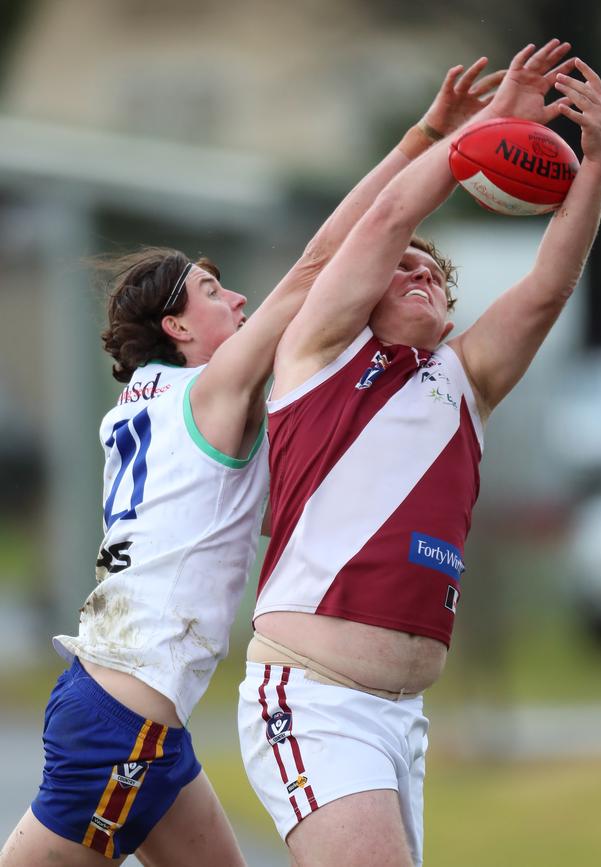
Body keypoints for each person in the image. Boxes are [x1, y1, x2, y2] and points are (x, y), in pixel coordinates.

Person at [0, 58, 504, 867]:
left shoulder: (139, 408)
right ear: (177, 328)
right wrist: (433, 138)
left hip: (134, 715)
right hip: (122, 718)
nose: (237, 300)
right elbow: (320, 261)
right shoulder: (211, 393)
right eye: (212, 289)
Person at [238, 38, 601, 867]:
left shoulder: (464, 382)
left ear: (449, 310)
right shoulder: (320, 358)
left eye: (431, 274)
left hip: (401, 718)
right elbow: (386, 218)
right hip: (314, 700)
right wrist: (481, 134)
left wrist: (595, 168)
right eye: (397, 268)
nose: (414, 270)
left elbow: (550, 285)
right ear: (361, 298)